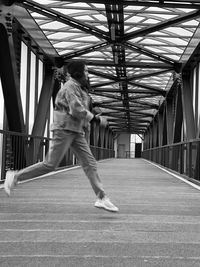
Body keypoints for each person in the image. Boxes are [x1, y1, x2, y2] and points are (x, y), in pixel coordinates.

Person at [4, 60, 119, 213]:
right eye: (86, 71)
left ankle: (102, 197)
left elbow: (80, 109)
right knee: (50, 164)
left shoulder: (79, 88)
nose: (88, 74)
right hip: (64, 129)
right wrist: (96, 119)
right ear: (78, 72)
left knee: (90, 163)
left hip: (76, 131)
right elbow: (76, 109)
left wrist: (91, 116)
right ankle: (15, 176)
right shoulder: (69, 87)